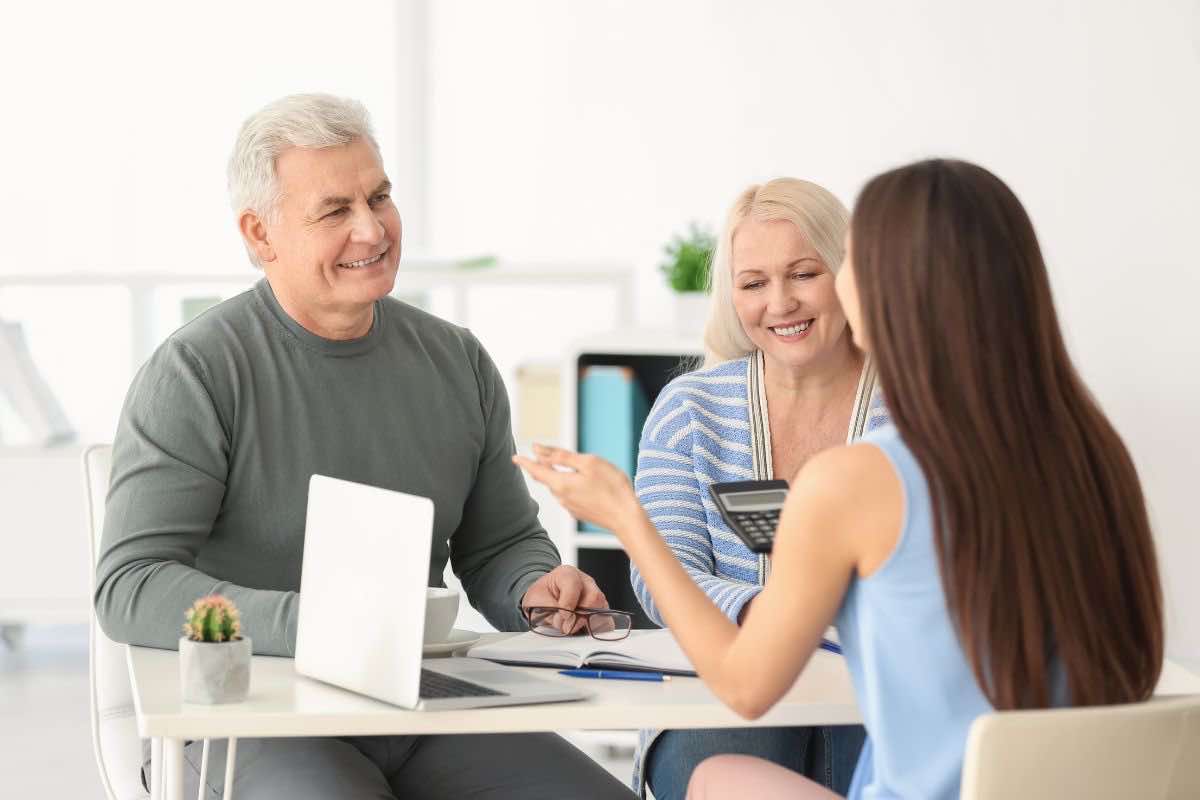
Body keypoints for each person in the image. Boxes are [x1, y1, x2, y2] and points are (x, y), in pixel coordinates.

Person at [518, 159, 1164, 799]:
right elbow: (1134, 667)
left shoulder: (861, 476)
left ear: (892, 288)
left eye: (837, 262)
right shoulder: (1094, 451)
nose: (791, 297)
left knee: (726, 774)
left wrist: (624, 515)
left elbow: (746, 687)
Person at [94, 93, 636, 800]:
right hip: (251, 715)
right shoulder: (197, 372)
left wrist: (537, 589)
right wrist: (323, 625)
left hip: (420, 703)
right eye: (334, 210)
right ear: (261, 234)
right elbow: (131, 584)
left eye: (379, 197)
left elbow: (499, 544)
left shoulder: (457, 362)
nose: (371, 228)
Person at [627, 178, 883, 798]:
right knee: (743, 734)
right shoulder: (690, 410)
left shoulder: (911, 412)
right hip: (728, 688)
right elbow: (662, 575)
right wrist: (769, 617)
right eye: (753, 283)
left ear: (848, 276)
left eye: (803, 274)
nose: (780, 303)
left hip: (872, 686)